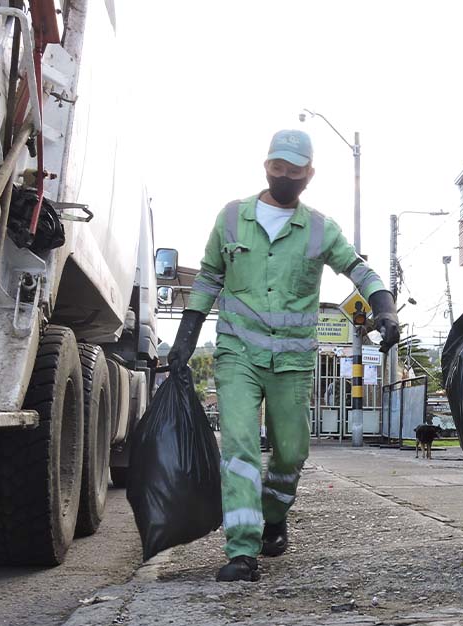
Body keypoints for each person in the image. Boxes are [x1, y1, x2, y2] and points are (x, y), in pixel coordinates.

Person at [169, 129, 400, 582]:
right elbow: (209, 277)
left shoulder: (319, 228)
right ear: (266, 166)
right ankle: (242, 550)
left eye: (294, 171)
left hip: (292, 363)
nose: (285, 176)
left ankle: (274, 514)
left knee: (292, 453)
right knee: (239, 446)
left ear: (308, 174)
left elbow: (358, 268)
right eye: (278, 168)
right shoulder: (232, 218)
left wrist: (384, 306)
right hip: (237, 352)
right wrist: (185, 336)